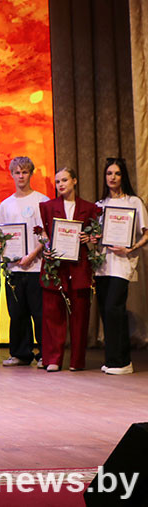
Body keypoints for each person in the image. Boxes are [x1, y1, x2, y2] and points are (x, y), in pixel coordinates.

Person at [38, 167, 100, 372]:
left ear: (74, 180)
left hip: (79, 266)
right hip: (55, 267)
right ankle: (53, 359)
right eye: (57, 182)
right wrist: (46, 249)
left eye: (64, 180)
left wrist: (89, 238)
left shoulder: (89, 208)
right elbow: (43, 235)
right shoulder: (47, 207)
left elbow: (96, 236)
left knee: (80, 315)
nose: (61, 185)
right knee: (52, 314)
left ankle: (77, 361)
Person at [94, 158, 148, 375]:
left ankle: (123, 362)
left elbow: (146, 233)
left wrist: (130, 248)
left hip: (123, 264)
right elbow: (96, 235)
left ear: (123, 176)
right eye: (109, 173)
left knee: (114, 309)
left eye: (116, 173)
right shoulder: (100, 205)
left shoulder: (134, 202)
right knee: (106, 313)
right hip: (102, 265)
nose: (112, 177)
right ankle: (112, 360)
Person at [0, 156, 49, 367]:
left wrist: (33, 255)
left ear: (31, 174)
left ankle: (45, 354)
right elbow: (0, 235)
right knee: (17, 313)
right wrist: (2, 248)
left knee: (39, 312)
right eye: (17, 172)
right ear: (12, 174)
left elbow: (46, 234)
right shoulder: (5, 205)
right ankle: (20, 353)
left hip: (36, 266)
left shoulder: (42, 201)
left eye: (25, 172)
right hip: (14, 268)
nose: (21, 176)